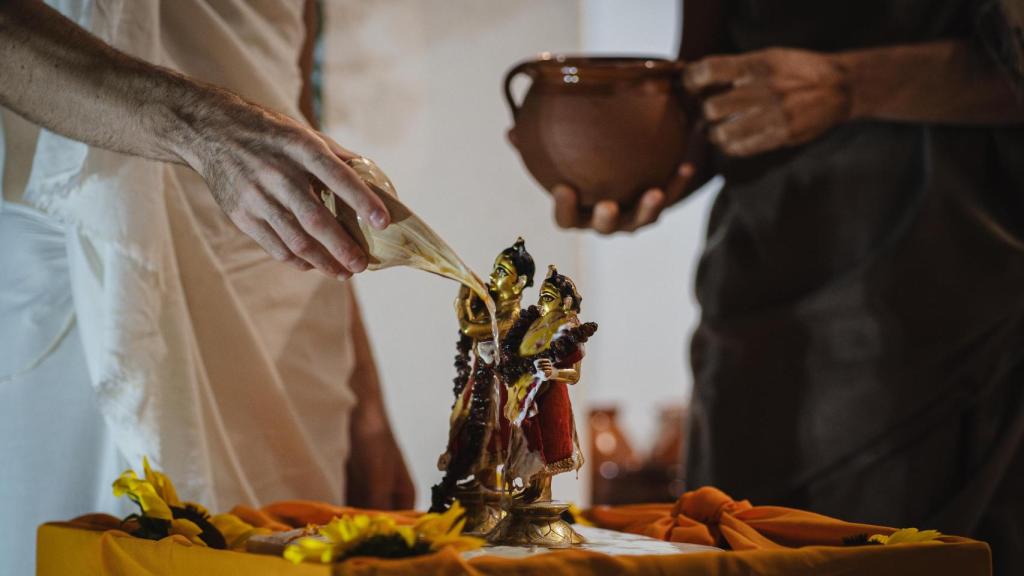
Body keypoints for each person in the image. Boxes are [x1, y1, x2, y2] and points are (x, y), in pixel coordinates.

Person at [547, 1, 1024, 573]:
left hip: (944, 266)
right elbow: (704, 90)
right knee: (738, 534)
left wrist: (847, 85)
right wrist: (632, 169)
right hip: (758, 274)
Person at [0, 1, 411, 573]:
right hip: (85, 283)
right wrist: (202, 127)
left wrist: (366, 404)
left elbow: (295, 99)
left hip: (277, 302)